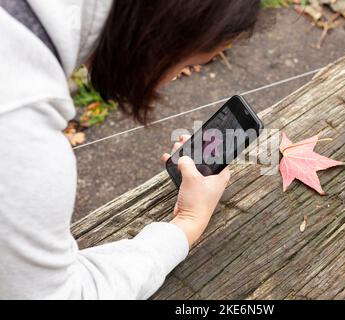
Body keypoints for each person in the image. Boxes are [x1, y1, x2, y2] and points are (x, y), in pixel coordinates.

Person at [0, 0, 261, 299]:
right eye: (186, 64)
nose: (176, 77)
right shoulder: (24, 141)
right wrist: (187, 224)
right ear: (158, 35)